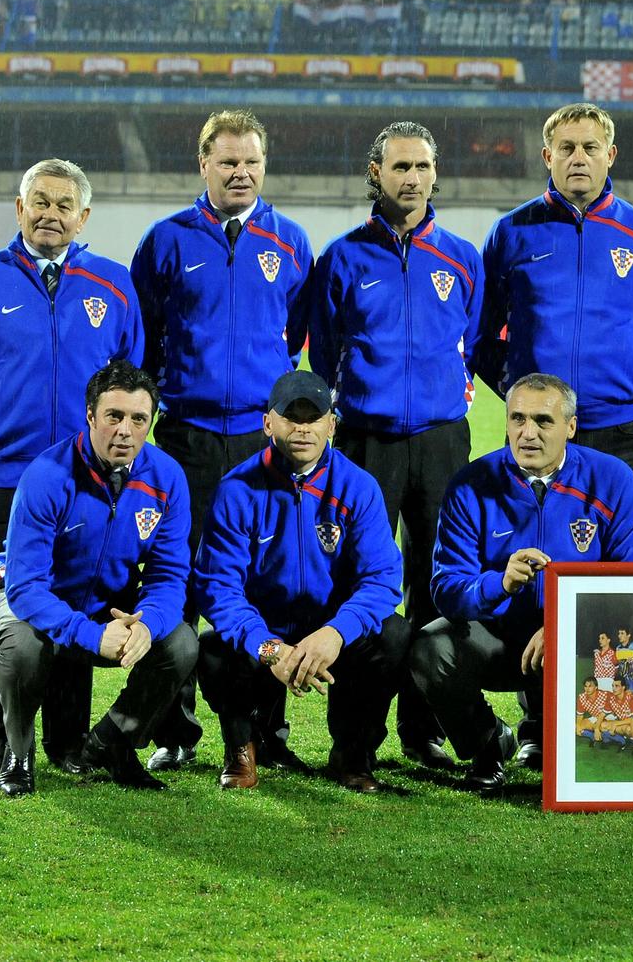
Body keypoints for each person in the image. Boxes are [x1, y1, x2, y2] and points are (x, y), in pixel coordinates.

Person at [0, 158, 142, 773]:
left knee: (78, 604)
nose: (50, 213)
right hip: (3, 481)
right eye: (39, 201)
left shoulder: (115, 284)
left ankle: (66, 744)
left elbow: (129, 381)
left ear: (84, 215)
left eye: (63, 203)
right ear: (19, 209)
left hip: (85, 483)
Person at [131, 108, 313, 773]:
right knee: (174, 585)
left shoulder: (291, 240)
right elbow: (143, 335)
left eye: (252, 162)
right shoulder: (166, 241)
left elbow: (291, 337)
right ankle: (173, 732)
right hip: (186, 438)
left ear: (265, 165)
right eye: (229, 161)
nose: (241, 172)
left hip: (263, 446)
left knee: (267, 585)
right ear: (203, 164)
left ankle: (267, 732)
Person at [308, 121, 483, 772]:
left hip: (441, 440)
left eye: (421, 166)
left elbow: (477, 346)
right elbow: (323, 357)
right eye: (399, 167)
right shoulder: (343, 259)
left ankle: (423, 729)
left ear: (436, 175)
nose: (411, 178)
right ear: (375, 174)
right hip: (365, 442)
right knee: (361, 585)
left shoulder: (463, 258)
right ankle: (354, 742)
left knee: (439, 583)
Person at [411, 373, 633, 791]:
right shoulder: (471, 485)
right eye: (517, 419)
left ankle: (557, 736)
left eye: (543, 421)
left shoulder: (612, 481)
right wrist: (497, 584)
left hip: (580, 643)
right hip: (500, 640)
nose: (528, 433)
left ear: (570, 428)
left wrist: (564, 624)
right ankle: (488, 743)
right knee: (431, 647)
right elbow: (446, 588)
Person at [0, 361, 196, 796]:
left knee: (181, 642)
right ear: (90, 416)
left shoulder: (168, 478)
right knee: (23, 647)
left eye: (139, 419)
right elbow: (24, 586)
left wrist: (147, 626)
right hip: (28, 599)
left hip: (106, 606)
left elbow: (171, 576)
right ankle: (17, 754)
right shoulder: (47, 475)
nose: (125, 430)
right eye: (114, 416)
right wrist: (90, 634)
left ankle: (113, 743)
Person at [192, 370, 409, 793]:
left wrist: (335, 633)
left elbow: (383, 581)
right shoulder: (236, 489)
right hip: (266, 630)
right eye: (292, 417)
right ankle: (242, 748)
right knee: (213, 650)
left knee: (394, 636)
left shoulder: (359, 487)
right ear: (268, 422)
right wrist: (268, 646)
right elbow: (218, 589)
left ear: (332, 423)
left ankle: (353, 754)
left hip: (330, 630)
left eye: (315, 418)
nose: (303, 428)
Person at [479, 103, 633, 496]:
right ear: (548, 156)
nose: (578, 158)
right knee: (536, 544)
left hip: (621, 427)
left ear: (610, 155)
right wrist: (516, 387)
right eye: (566, 148)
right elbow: (480, 330)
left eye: (590, 147)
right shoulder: (511, 232)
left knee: (621, 550)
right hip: (537, 425)